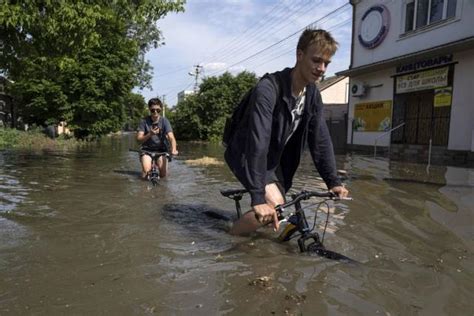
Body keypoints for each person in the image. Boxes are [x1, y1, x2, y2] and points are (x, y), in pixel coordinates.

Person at [224, 29, 349, 235]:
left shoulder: (312, 94)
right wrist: (257, 196)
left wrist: (333, 181)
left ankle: (252, 234)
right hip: (246, 152)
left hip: (273, 160)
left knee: (279, 210)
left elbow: (320, 139)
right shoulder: (268, 88)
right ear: (299, 55)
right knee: (276, 205)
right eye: (316, 60)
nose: (321, 68)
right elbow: (258, 139)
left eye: (326, 63)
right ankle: (228, 239)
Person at [137, 98, 178, 179]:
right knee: (146, 172)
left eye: (158, 110)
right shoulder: (144, 121)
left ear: (161, 109)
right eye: (153, 110)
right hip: (146, 150)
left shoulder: (165, 121)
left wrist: (173, 149)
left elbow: (171, 137)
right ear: (149, 109)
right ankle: (144, 188)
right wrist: (150, 134)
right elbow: (138, 140)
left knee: (163, 174)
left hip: (162, 151)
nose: (155, 112)